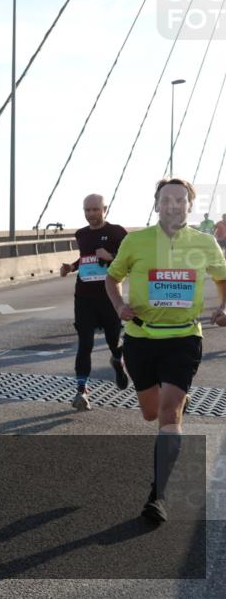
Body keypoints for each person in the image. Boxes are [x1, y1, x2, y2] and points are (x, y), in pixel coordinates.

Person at [105, 178, 226, 523]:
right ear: (156, 205)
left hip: (184, 337)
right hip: (141, 338)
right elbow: (111, 278)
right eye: (166, 200)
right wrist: (119, 307)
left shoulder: (204, 243)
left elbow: (222, 277)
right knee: (150, 412)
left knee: (169, 415)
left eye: (180, 200)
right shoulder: (136, 241)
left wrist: (223, 307)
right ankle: (162, 389)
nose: (173, 205)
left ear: (190, 206)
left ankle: (158, 495)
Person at [59, 194, 128, 410]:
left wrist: (111, 256)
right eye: (87, 210)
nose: (91, 214)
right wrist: (71, 267)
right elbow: (86, 258)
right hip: (84, 297)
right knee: (85, 344)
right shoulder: (81, 234)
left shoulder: (118, 232)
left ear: (104, 209)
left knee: (113, 342)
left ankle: (117, 361)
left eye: (95, 210)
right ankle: (82, 391)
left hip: (109, 297)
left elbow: (129, 259)